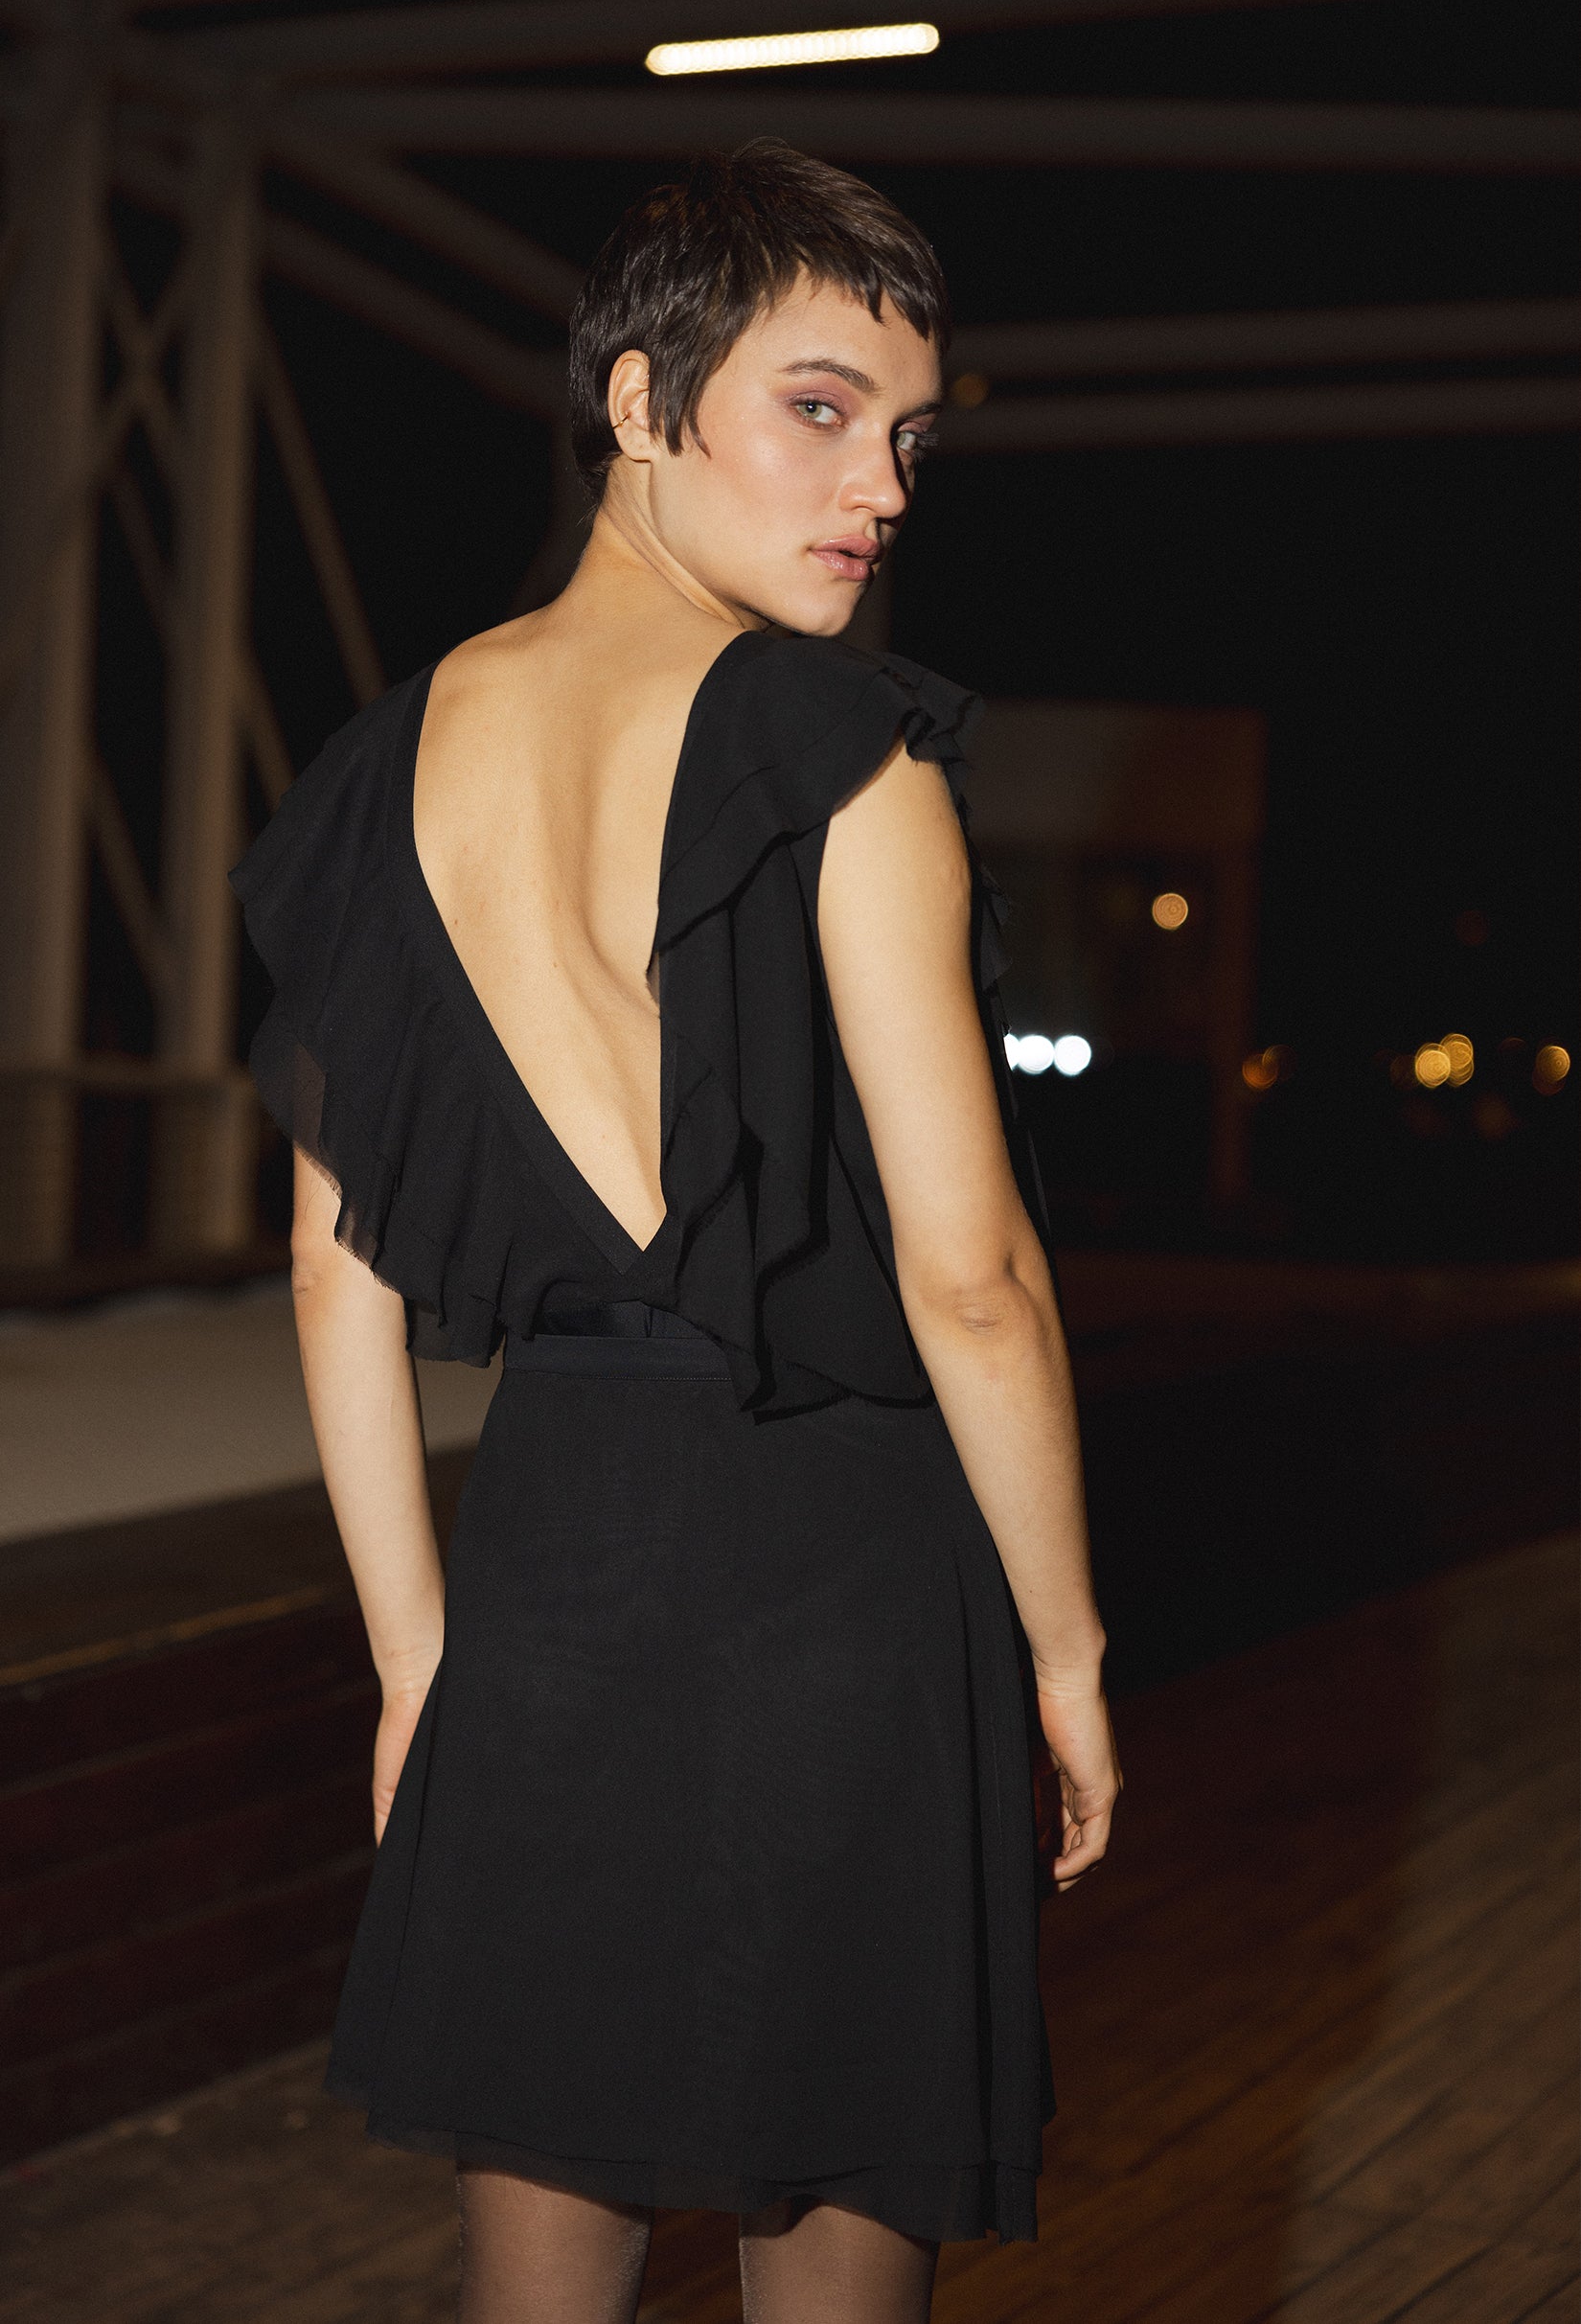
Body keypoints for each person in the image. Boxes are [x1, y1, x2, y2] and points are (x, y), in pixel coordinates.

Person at [229, 138, 1121, 2324]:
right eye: (820, 407)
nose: (881, 485)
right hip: (842, 1571)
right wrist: (1069, 1654)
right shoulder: (841, 752)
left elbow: (334, 1265)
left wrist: (417, 1656)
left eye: (908, 436)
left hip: (549, 1575)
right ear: (637, 402)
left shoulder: (377, 773)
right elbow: (971, 1279)